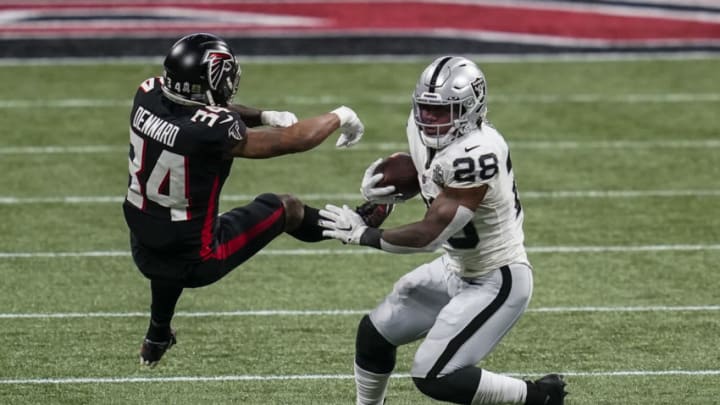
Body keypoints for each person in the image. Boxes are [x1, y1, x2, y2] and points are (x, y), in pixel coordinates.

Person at [319, 56, 568, 405]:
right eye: (425, 109)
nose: (429, 120)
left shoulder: (479, 152)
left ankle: (540, 397)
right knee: (374, 334)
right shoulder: (424, 132)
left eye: (443, 112)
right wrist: (387, 199)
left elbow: (429, 234)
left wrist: (364, 234)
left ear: (471, 108)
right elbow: (429, 174)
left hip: (497, 277)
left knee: (434, 375)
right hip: (455, 267)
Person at [122, 32, 368, 367]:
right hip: (198, 257)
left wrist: (264, 115)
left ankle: (157, 334)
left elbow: (202, 110)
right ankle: (354, 227)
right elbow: (292, 141)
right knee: (286, 208)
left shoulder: (146, 93)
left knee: (167, 245)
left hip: (143, 245)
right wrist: (341, 114)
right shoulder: (210, 131)